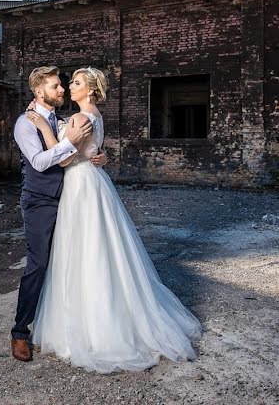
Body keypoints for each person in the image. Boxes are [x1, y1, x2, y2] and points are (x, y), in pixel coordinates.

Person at [27, 67, 201, 373]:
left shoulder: (81, 118)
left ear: (91, 91)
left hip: (80, 185)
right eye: (70, 82)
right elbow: (95, 149)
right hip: (94, 181)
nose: (71, 86)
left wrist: (43, 127)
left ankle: (96, 327)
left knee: (83, 251)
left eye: (77, 83)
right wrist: (99, 153)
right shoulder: (96, 116)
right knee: (100, 248)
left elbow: (65, 158)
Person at [10, 66, 107, 362]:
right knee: (38, 265)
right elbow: (40, 162)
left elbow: (86, 143)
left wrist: (100, 155)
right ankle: (19, 333)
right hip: (40, 201)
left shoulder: (63, 119)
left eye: (64, 85)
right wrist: (66, 140)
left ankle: (71, 323)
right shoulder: (25, 124)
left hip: (72, 196)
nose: (62, 89)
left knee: (72, 260)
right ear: (40, 92)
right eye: (56, 86)